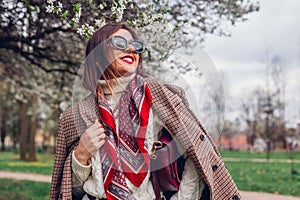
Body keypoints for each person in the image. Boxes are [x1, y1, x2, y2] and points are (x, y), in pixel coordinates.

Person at [50, 22, 241, 200]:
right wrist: (81, 155)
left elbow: (197, 155)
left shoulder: (161, 99)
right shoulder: (74, 116)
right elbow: (69, 191)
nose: (131, 49)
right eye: (120, 42)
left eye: (136, 45)